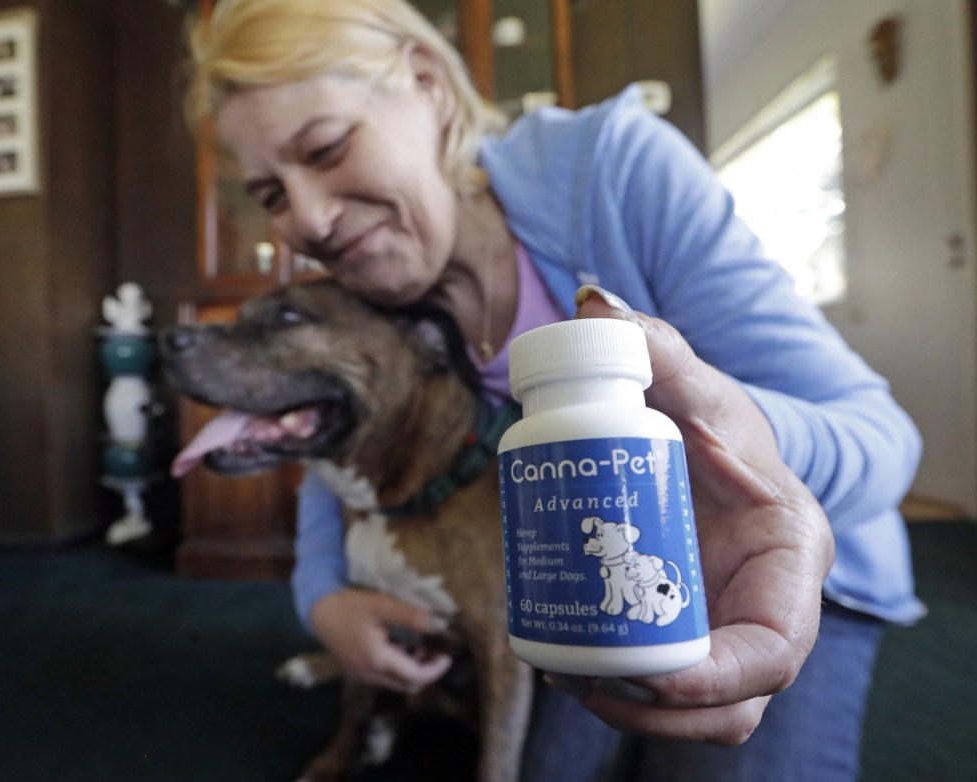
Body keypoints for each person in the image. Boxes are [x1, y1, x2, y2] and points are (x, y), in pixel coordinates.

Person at [184, 1, 925, 779]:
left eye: (329, 147)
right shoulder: (373, 269)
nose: (311, 219)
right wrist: (322, 596)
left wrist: (717, 448)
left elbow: (883, 438)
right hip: (568, 582)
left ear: (428, 84)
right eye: (270, 195)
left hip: (784, 561)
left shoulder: (615, 168)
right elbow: (341, 434)